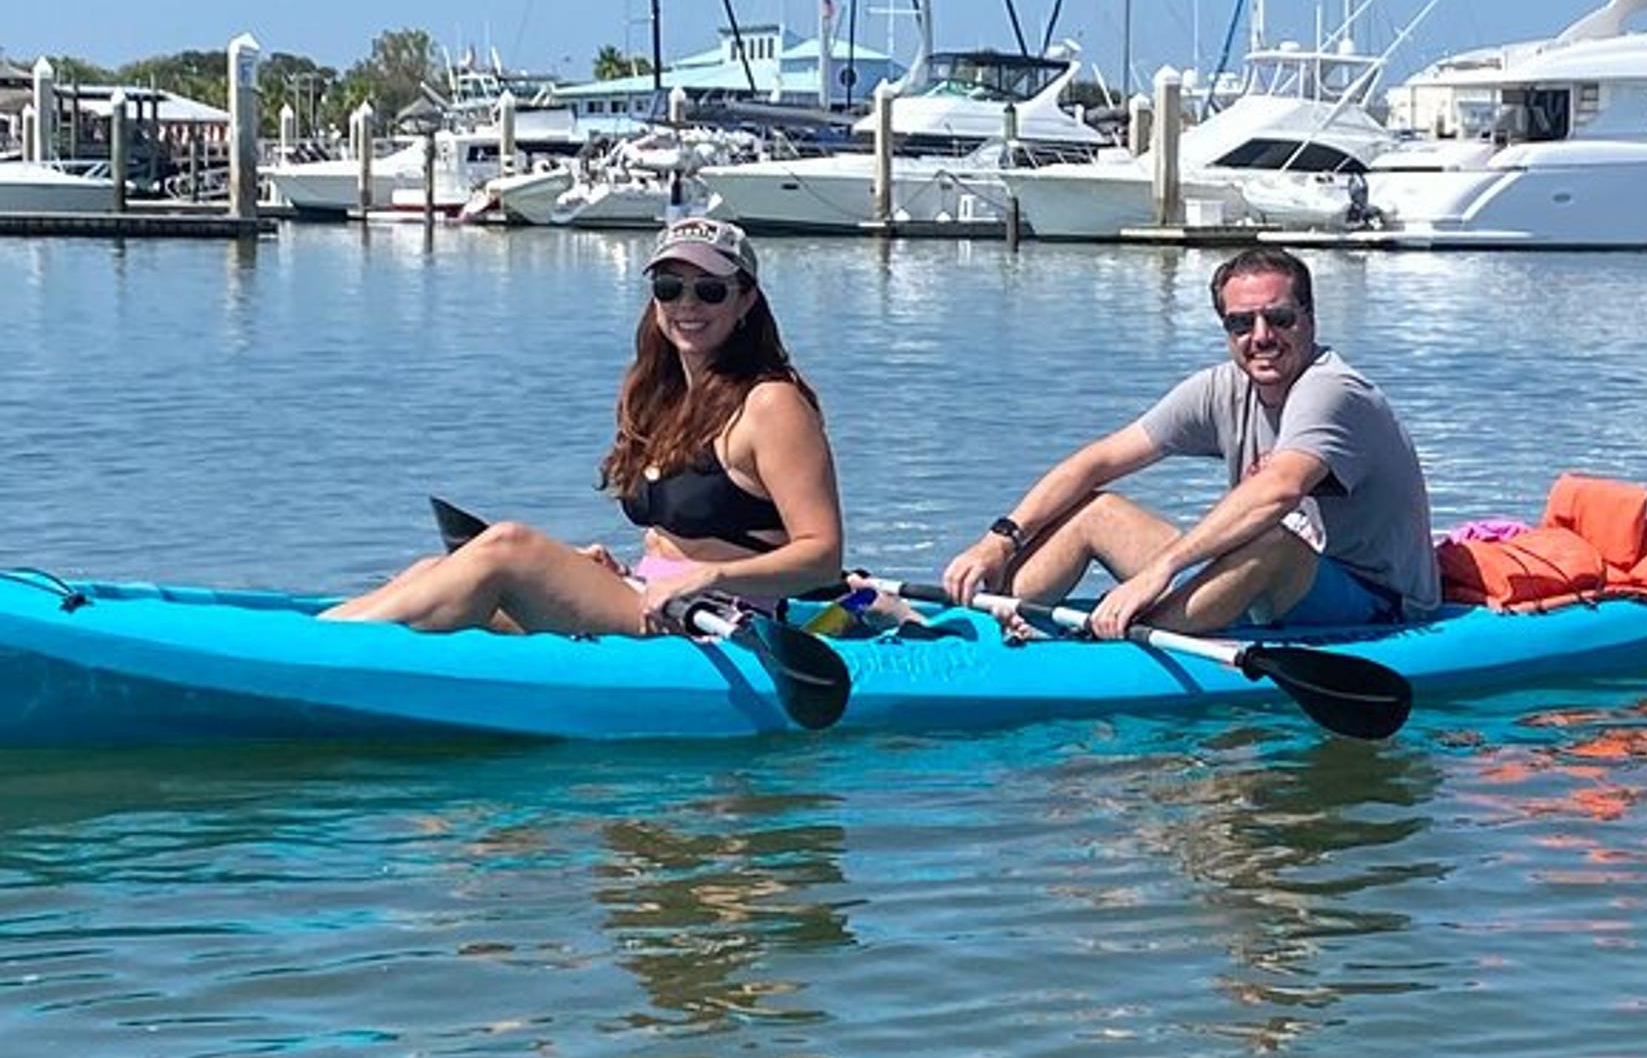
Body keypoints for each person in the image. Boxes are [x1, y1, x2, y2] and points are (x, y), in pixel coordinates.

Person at [322, 217, 843, 635]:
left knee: (507, 547)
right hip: (647, 594)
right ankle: (314, 636)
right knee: (433, 572)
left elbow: (821, 556)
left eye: (709, 291)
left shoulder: (772, 404)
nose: (686, 304)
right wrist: (614, 573)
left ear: (745, 300)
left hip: (718, 620)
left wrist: (709, 574)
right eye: (669, 287)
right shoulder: (666, 396)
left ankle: (320, 654)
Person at [941, 246, 1438, 640]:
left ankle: (1120, 643)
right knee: (1098, 512)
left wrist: (1161, 570)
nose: (1261, 336)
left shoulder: (1332, 390)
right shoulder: (1222, 387)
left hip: (1372, 600)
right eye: (1241, 323)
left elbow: (1278, 491)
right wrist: (997, 542)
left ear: (1309, 319)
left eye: (1279, 318)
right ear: (1226, 328)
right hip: (1265, 581)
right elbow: (1098, 461)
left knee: (1270, 536)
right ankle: (985, 628)